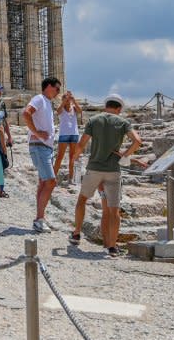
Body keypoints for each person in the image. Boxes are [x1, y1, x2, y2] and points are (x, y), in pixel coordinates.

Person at [69, 94, 145, 257]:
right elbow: (137, 141)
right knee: (113, 209)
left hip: (94, 168)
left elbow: (82, 143)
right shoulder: (123, 122)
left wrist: (75, 156)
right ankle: (112, 246)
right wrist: (125, 155)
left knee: (82, 200)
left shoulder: (94, 120)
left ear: (106, 106)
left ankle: (76, 233)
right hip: (113, 170)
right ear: (119, 108)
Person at [22, 76, 61, 233]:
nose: (58, 92)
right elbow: (26, 113)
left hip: (46, 147)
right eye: (57, 88)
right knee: (51, 182)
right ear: (49, 87)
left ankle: (40, 218)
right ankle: (39, 219)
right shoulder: (39, 98)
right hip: (39, 146)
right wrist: (37, 132)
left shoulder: (47, 102)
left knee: (43, 183)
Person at [54, 91, 82, 185]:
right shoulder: (61, 109)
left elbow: (80, 111)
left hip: (74, 134)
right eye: (66, 99)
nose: (67, 101)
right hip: (64, 134)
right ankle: (53, 179)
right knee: (59, 157)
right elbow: (57, 111)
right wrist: (64, 101)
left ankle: (70, 179)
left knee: (72, 157)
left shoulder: (73, 108)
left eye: (68, 99)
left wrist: (74, 100)